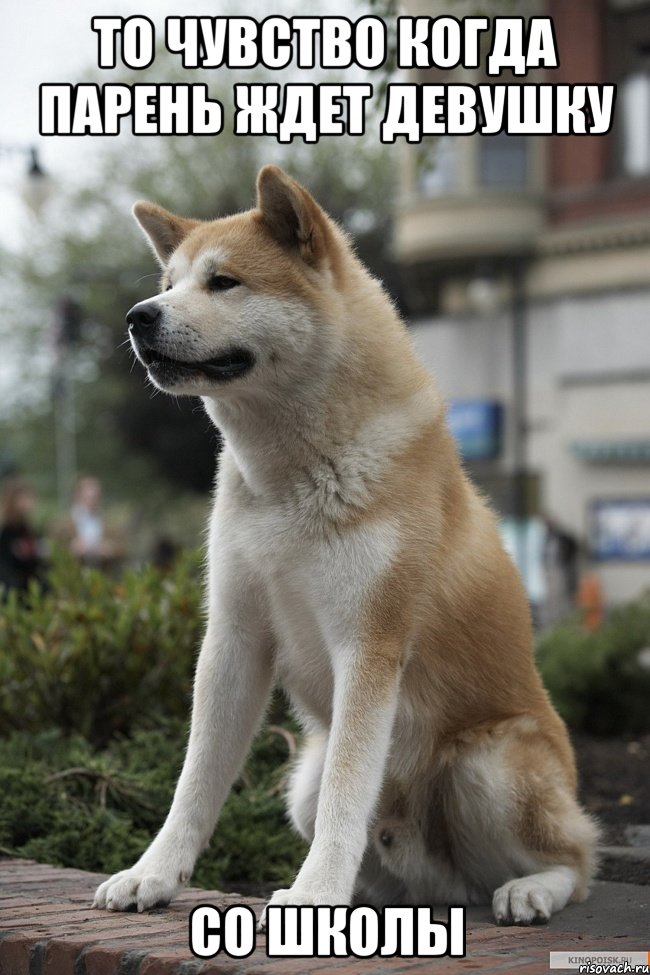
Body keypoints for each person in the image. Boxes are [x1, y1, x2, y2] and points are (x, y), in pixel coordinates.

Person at [0, 477, 46, 593]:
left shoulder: (28, 528)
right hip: (12, 587)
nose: (30, 503)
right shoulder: (6, 529)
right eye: (25, 498)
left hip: (30, 585)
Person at [69, 476, 121, 568]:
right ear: (77, 496)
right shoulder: (63, 524)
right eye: (87, 497)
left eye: (95, 497)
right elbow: (52, 549)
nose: (91, 501)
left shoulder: (110, 524)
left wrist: (111, 549)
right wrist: (72, 549)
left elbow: (123, 548)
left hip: (103, 573)